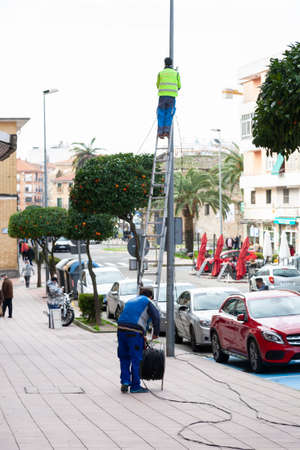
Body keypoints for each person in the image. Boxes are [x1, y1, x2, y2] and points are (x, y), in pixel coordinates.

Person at [117, 287, 160, 394]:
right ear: (150, 296)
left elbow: (132, 316)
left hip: (121, 329)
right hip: (134, 332)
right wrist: (155, 334)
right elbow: (156, 317)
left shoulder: (131, 300)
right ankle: (135, 386)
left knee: (124, 357)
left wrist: (143, 334)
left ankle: (125, 381)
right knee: (136, 358)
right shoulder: (148, 301)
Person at [156, 57, 181, 139]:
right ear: (171, 63)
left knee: (161, 113)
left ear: (164, 63)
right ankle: (167, 131)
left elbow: (157, 85)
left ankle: (160, 132)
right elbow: (179, 86)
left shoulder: (160, 73)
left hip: (162, 96)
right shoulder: (176, 73)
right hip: (172, 97)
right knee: (169, 113)